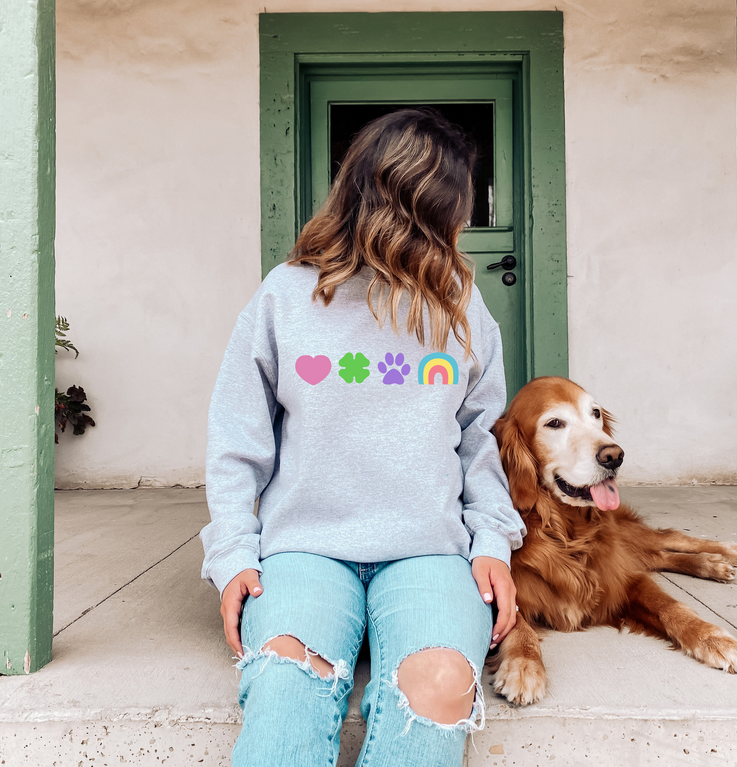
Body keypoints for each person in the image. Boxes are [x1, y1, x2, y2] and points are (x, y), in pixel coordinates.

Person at [201, 107, 525, 767]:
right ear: (419, 208)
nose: (462, 225)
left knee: (439, 687)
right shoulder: (284, 297)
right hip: (304, 550)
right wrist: (233, 552)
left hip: (428, 551)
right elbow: (238, 440)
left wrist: (492, 540)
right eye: (454, 208)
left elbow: (480, 439)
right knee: (286, 689)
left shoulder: (462, 302)